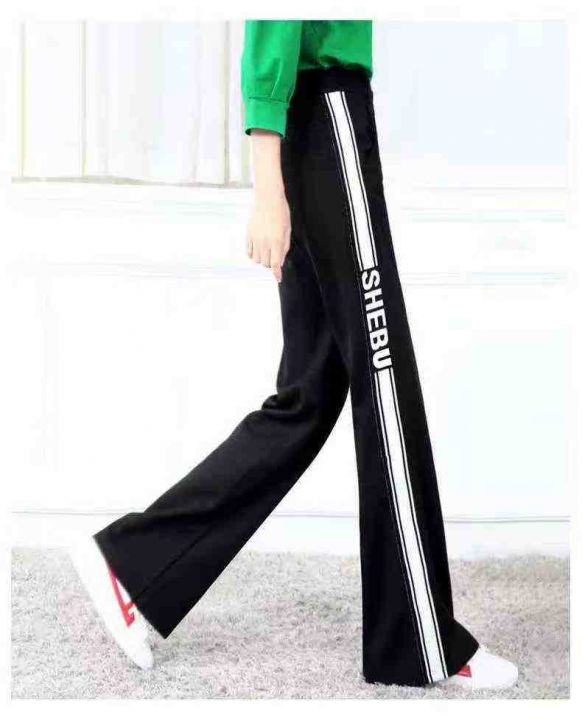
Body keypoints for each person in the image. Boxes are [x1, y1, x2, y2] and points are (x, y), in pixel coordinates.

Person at [70, 20, 518, 690]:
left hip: (315, 122)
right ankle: (421, 642)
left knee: (310, 394)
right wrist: (266, 188)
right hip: (326, 110)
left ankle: (132, 566)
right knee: (385, 380)